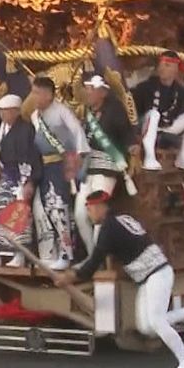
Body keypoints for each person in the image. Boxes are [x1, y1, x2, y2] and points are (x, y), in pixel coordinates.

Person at [55, 190, 184, 368]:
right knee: (145, 326)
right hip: (149, 276)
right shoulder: (122, 218)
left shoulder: (109, 228)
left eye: (90, 210)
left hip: (157, 273)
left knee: (156, 321)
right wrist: (72, 274)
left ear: (100, 207)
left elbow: (93, 263)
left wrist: (69, 277)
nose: (90, 215)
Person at [74, 74, 138, 259]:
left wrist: (133, 149)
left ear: (103, 92)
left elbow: (126, 133)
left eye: (92, 89)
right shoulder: (86, 112)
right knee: (80, 213)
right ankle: (92, 256)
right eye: (87, 89)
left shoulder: (115, 109)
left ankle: (97, 261)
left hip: (107, 165)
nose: (88, 93)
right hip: (89, 168)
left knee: (97, 212)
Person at [29, 76, 89, 270]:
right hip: (43, 167)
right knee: (47, 209)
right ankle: (54, 252)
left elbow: (78, 134)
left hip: (60, 166)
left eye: (37, 92)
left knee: (59, 207)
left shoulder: (61, 112)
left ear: (48, 94)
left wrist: (77, 163)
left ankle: (67, 254)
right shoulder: (34, 116)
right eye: (33, 92)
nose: (34, 96)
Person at [0, 94, 42, 268]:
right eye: (1, 111)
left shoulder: (26, 129)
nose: (1, 114)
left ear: (15, 111)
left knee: (18, 216)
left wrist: (28, 181)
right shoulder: (4, 128)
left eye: (4, 111)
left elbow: (31, 155)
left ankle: (19, 256)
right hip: (7, 176)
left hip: (21, 176)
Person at [131, 51, 184, 175]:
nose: (162, 68)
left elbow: (177, 111)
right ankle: (150, 157)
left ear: (175, 70)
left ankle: (183, 157)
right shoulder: (145, 87)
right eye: (161, 64)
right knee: (154, 114)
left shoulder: (179, 91)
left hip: (166, 125)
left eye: (167, 65)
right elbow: (134, 111)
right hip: (146, 126)